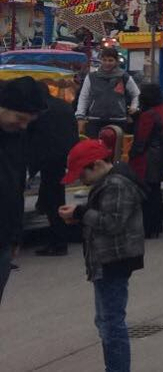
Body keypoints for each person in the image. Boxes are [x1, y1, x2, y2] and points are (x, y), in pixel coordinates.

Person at [59, 138, 145, 372]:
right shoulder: (110, 182)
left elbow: (113, 223)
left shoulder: (116, 184)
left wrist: (80, 212)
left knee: (111, 323)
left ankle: (117, 369)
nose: (80, 180)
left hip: (113, 260)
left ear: (96, 165)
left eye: (82, 175)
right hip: (107, 258)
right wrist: (80, 215)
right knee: (106, 321)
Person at [0, 77, 47, 304]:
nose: (23, 125)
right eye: (20, 118)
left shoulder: (16, 136)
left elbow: (16, 186)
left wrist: (15, 235)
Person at [27, 85, 77, 256]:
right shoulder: (63, 106)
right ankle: (58, 238)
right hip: (64, 157)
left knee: (53, 200)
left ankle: (58, 242)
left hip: (46, 158)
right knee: (56, 195)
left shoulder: (39, 109)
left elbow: (31, 136)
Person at [130, 83, 163, 238]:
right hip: (161, 155)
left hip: (147, 158)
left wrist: (132, 155)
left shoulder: (148, 115)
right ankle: (156, 226)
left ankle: (148, 227)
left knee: (146, 193)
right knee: (156, 192)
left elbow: (141, 139)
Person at [75, 48, 140, 139]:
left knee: (116, 150)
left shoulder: (124, 76)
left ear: (116, 61)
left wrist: (134, 106)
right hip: (95, 120)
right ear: (101, 60)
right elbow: (84, 97)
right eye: (104, 60)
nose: (107, 63)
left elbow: (136, 93)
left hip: (118, 121)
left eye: (110, 60)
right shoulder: (91, 77)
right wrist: (80, 117)